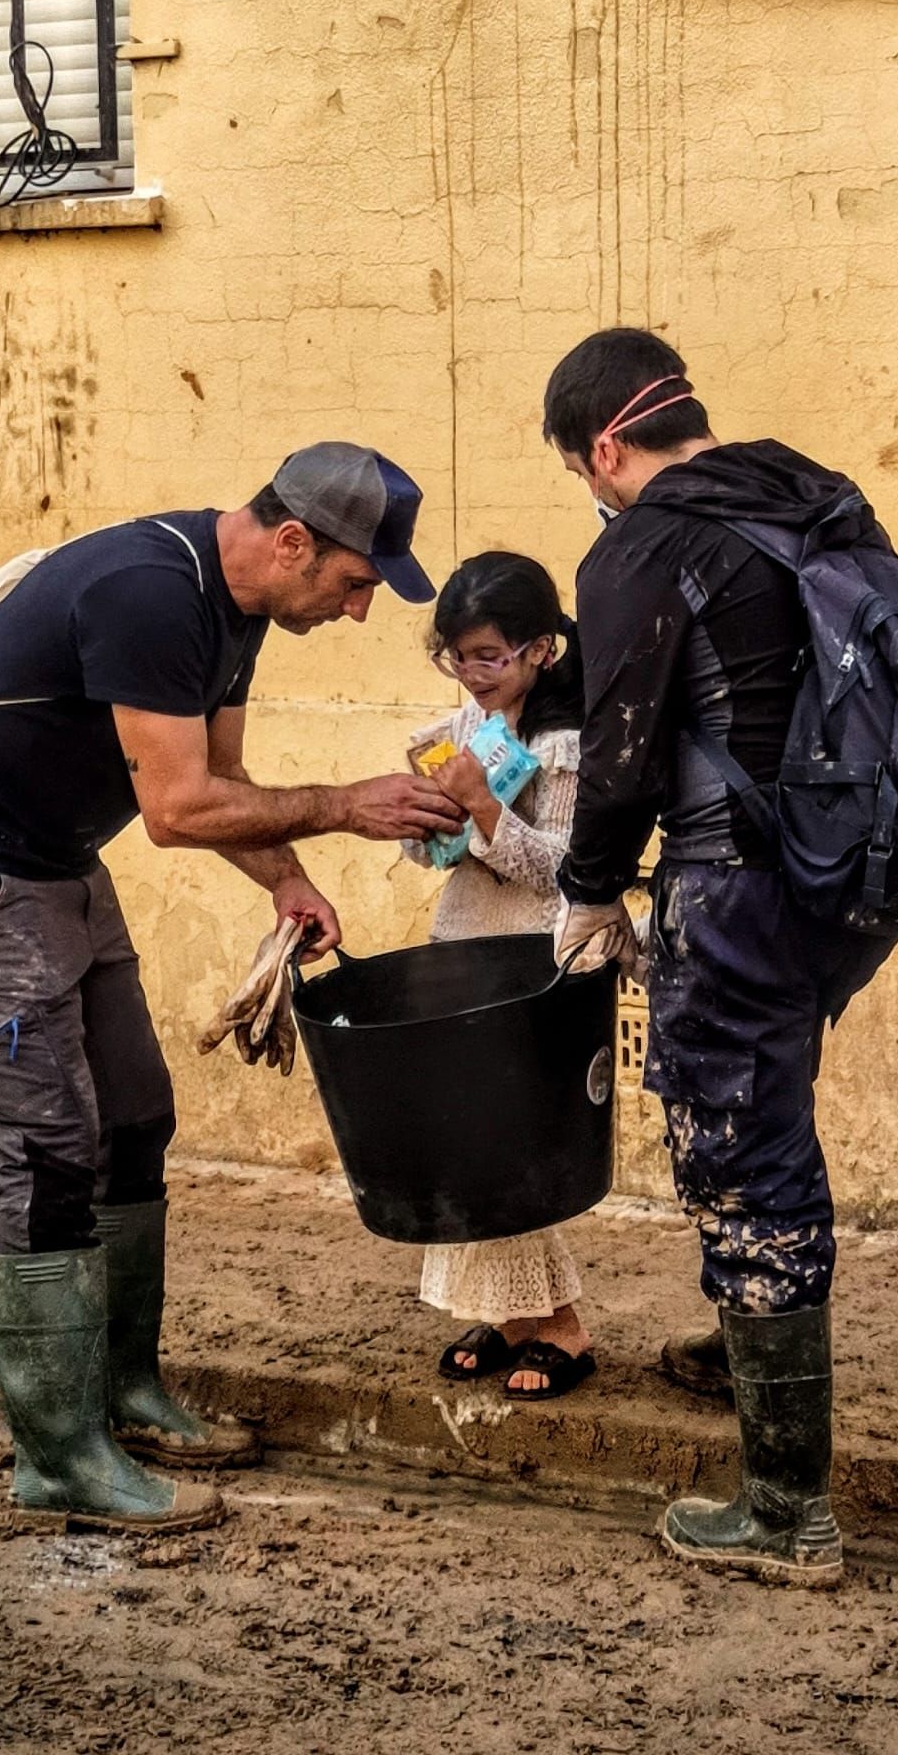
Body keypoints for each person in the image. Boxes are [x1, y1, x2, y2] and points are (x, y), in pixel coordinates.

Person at [0, 443, 464, 1533]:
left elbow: (220, 783)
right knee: (49, 1145)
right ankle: (58, 1453)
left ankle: (124, 1391)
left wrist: (288, 882)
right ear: (293, 542)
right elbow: (178, 811)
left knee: (134, 1117)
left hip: (50, 858)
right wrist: (345, 805)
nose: (359, 607)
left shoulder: (234, 611)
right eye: (354, 582)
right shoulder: (151, 592)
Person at [543, 330, 897, 1586]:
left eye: (581, 470)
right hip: (844, 879)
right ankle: (742, 1330)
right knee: (769, 1108)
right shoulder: (811, 495)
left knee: (742, 1149)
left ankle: (789, 1510)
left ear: (602, 448)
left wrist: (590, 889)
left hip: (734, 881)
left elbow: (623, 741)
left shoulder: (639, 541)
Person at [402, 553, 594, 1400]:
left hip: (531, 965)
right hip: (462, 949)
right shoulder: (465, 728)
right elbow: (429, 856)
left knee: (504, 1144)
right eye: (456, 656)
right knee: (463, 1138)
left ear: (541, 650)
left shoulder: (567, 745)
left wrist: (482, 804)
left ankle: (562, 1330)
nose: (472, 674)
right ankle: (514, 1318)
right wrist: (424, 812)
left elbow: (562, 871)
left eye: (488, 656)